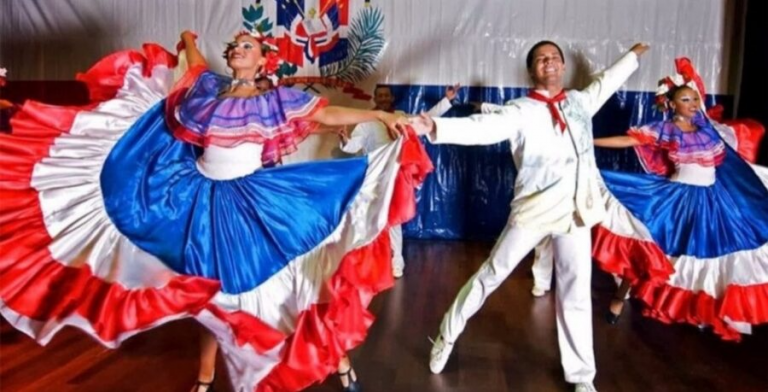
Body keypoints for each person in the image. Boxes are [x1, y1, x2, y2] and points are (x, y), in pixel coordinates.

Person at [0, 29, 433, 392]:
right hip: (200, 200)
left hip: (252, 204)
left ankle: (334, 357)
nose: (237, 50)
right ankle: (206, 378)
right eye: (235, 46)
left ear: (263, 61)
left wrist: (379, 114)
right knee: (211, 292)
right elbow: (195, 63)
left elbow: (331, 113)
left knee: (298, 283)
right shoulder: (206, 91)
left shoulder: (275, 101)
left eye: (247, 46)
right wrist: (188, 38)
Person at [410, 40, 649, 392]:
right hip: (534, 210)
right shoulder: (519, 110)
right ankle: (446, 335)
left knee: (575, 292)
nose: (548, 63)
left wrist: (632, 56)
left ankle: (582, 377)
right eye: (540, 59)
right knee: (491, 275)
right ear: (532, 70)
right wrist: (435, 127)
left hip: (575, 211)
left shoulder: (580, 102)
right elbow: (480, 128)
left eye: (553, 57)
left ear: (563, 66)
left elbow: (605, 82)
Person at [591, 58, 768, 341]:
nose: (693, 103)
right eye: (686, 99)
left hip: (711, 200)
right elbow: (629, 141)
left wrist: (687, 76)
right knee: (650, 250)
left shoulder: (706, 128)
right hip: (675, 199)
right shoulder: (666, 130)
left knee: (713, 255)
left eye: (695, 98)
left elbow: (723, 157)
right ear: (673, 104)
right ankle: (619, 297)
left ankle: (704, 311)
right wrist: (588, 142)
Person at [340, 83, 458, 278]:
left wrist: (446, 100)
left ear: (391, 98)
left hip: (395, 177)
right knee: (369, 220)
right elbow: (353, 146)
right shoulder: (366, 121)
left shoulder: (401, 116)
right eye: (381, 96)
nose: (384, 99)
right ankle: (368, 263)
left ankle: (396, 263)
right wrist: (344, 139)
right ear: (375, 98)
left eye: (387, 95)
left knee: (394, 220)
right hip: (373, 179)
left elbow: (425, 120)